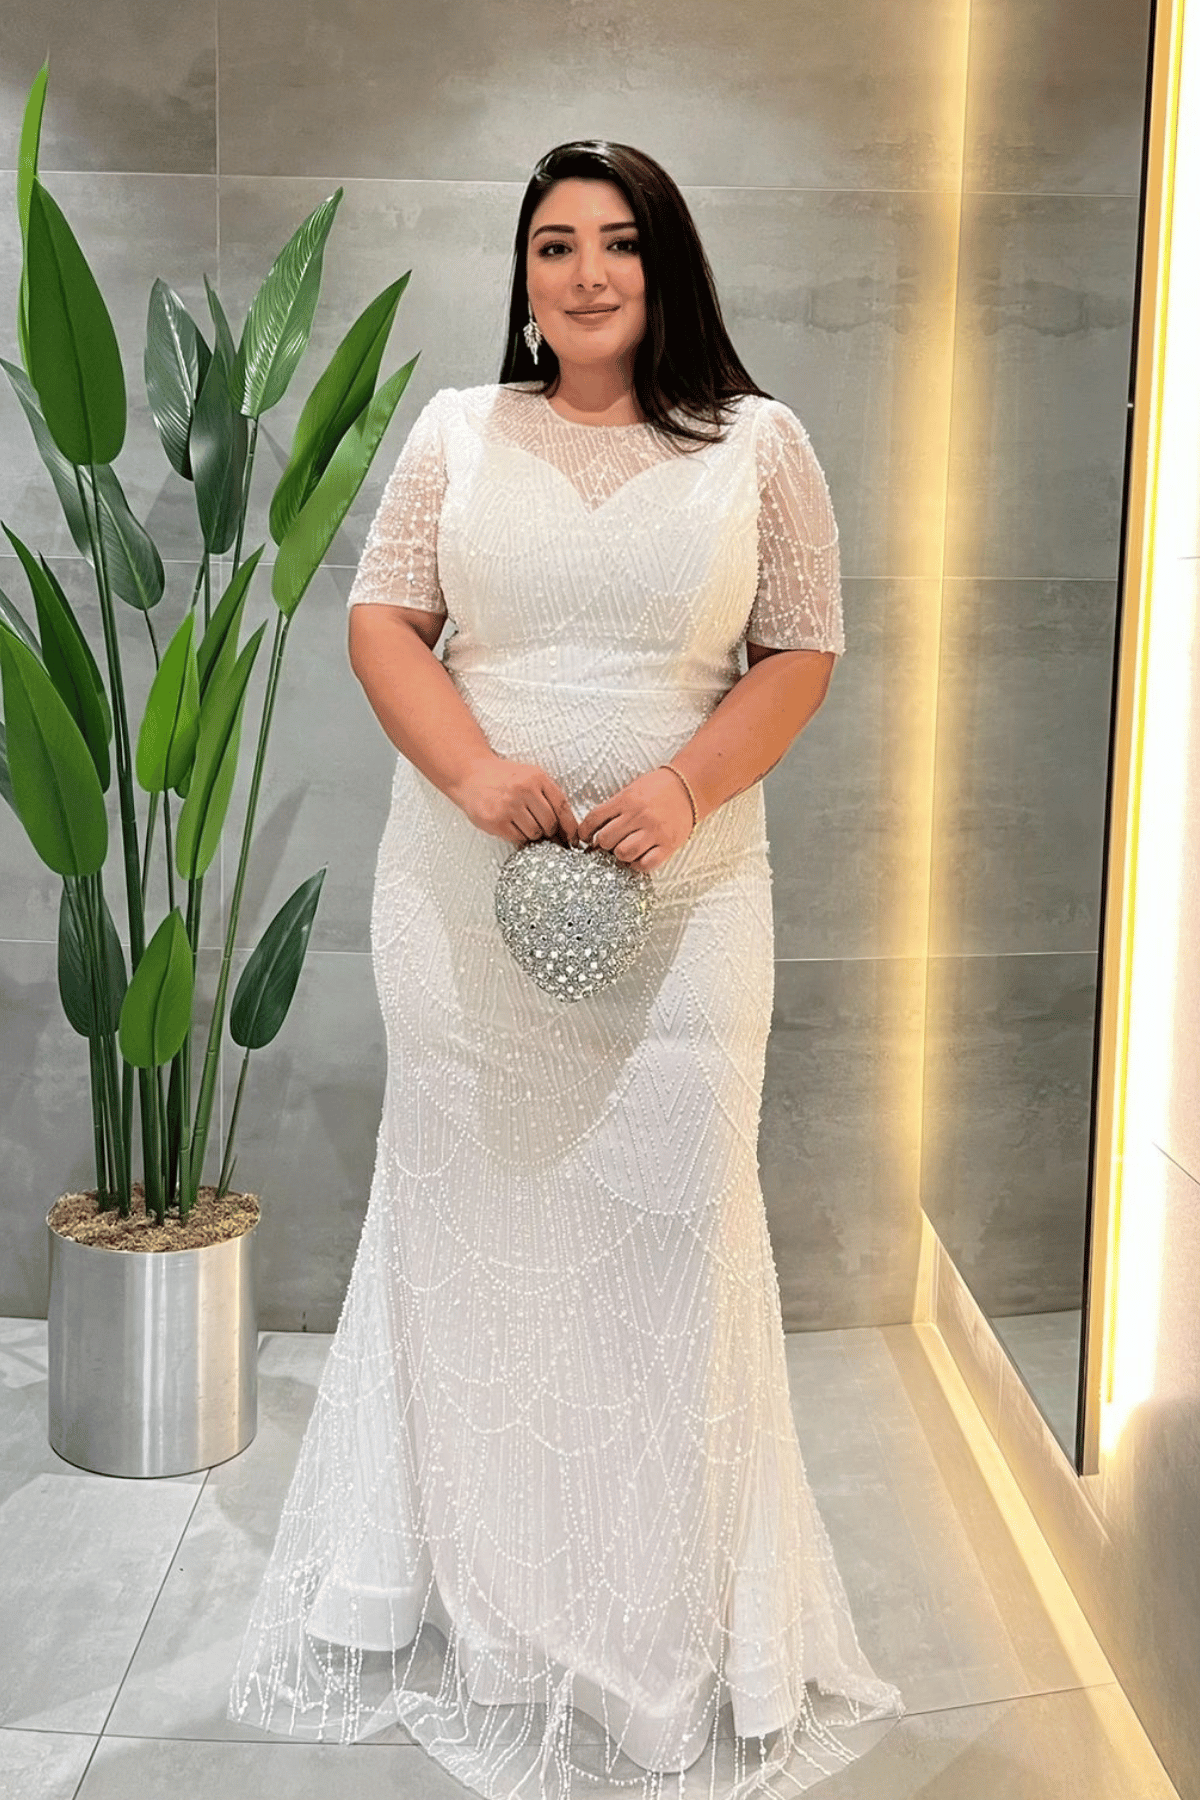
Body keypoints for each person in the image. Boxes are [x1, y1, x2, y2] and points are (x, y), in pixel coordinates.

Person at [227, 139, 905, 1798]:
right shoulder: (457, 430)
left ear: (666, 267)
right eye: (553, 246)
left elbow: (801, 647)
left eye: (618, 243)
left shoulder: (760, 444)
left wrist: (682, 789)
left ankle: (661, 1634)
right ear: (524, 277)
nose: (586, 273)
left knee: (673, 1236)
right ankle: (497, 1614)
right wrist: (472, 774)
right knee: (477, 1226)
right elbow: (383, 620)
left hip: (693, 900)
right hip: (458, 901)